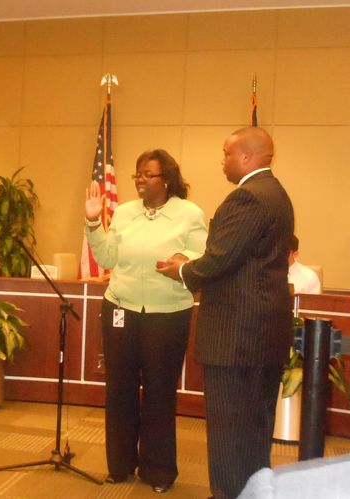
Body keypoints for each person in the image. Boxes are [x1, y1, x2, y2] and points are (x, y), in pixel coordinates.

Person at [156, 127, 294, 499]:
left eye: (226, 153)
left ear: (246, 157)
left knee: (230, 433)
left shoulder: (247, 198)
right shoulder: (277, 194)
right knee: (253, 432)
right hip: (260, 336)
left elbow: (218, 261)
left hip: (237, 339)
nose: (222, 161)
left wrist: (182, 269)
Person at [85, 149, 207, 493]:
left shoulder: (189, 214)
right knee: (119, 389)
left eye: (147, 174)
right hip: (120, 308)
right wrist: (95, 223)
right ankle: (120, 465)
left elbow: (200, 258)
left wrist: (182, 261)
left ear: (166, 179)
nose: (140, 180)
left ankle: (159, 471)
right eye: (137, 174)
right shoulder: (124, 213)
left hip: (167, 315)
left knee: (159, 392)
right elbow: (107, 256)